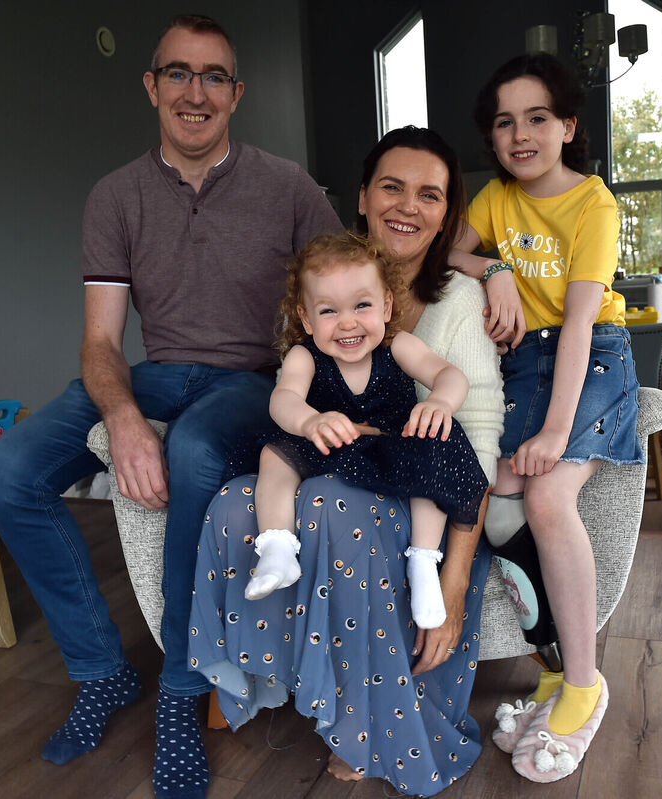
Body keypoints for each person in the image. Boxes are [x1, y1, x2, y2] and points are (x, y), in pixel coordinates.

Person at [0, 13, 341, 792]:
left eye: (213, 77)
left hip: (251, 380)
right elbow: (102, 342)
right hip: (155, 371)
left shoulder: (290, 188)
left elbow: (355, 281)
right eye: (178, 73)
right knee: (7, 471)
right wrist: (123, 417)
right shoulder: (115, 196)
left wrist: (484, 260)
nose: (195, 92)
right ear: (152, 85)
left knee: (197, 450)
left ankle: (181, 691)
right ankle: (102, 669)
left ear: (237, 94)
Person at [187, 126, 503, 797]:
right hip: (334, 457)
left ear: (447, 213)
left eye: (429, 194)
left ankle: (363, 719)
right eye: (392, 186)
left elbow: (470, 435)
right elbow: (287, 399)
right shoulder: (326, 286)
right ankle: (287, 668)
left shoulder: (457, 300)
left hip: (407, 483)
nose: (408, 205)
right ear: (361, 198)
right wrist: (311, 423)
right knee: (236, 500)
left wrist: (453, 580)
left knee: (332, 503)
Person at [450, 52, 644, 783]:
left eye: (537, 118)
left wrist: (558, 430)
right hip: (524, 362)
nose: (520, 134)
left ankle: (586, 680)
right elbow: (440, 257)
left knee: (544, 491)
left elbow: (579, 325)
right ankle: (557, 667)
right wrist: (493, 267)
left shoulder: (593, 202)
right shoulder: (497, 199)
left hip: (592, 354)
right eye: (505, 122)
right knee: (492, 493)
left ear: (568, 125)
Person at [245, 234, 489, 633]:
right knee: (274, 454)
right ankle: (277, 545)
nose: (347, 322)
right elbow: (283, 399)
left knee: (435, 448)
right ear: (305, 319)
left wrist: (441, 402)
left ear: (387, 305)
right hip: (330, 440)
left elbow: (449, 375)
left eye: (362, 305)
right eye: (328, 311)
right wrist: (310, 421)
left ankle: (423, 560)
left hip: (395, 443)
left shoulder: (399, 346)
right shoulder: (304, 355)